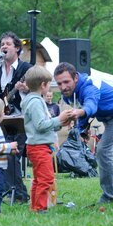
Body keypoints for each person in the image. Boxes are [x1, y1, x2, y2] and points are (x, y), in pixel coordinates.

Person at [54, 62, 113, 204]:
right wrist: (82, 128)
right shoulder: (68, 94)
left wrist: (81, 112)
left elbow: (90, 104)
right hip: (109, 119)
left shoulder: (89, 86)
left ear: (76, 78)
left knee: (103, 152)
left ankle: (109, 197)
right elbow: (81, 111)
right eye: (59, 83)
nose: (63, 87)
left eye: (66, 82)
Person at [0, 31, 32, 203]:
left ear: (17, 48)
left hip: (21, 117)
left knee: (13, 154)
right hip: (3, 118)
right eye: (2, 44)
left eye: (7, 44)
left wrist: (25, 88)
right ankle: (12, 192)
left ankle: (19, 194)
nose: (4, 46)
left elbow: (37, 88)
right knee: (4, 153)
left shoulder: (25, 68)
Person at [21, 65, 70, 213]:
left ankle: (35, 207)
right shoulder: (36, 102)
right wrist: (59, 119)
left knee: (37, 179)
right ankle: (41, 207)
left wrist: (60, 122)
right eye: (49, 84)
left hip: (37, 146)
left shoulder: (34, 100)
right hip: (39, 147)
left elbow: (45, 123)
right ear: (43, 85)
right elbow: (41, 125)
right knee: (46, 179)